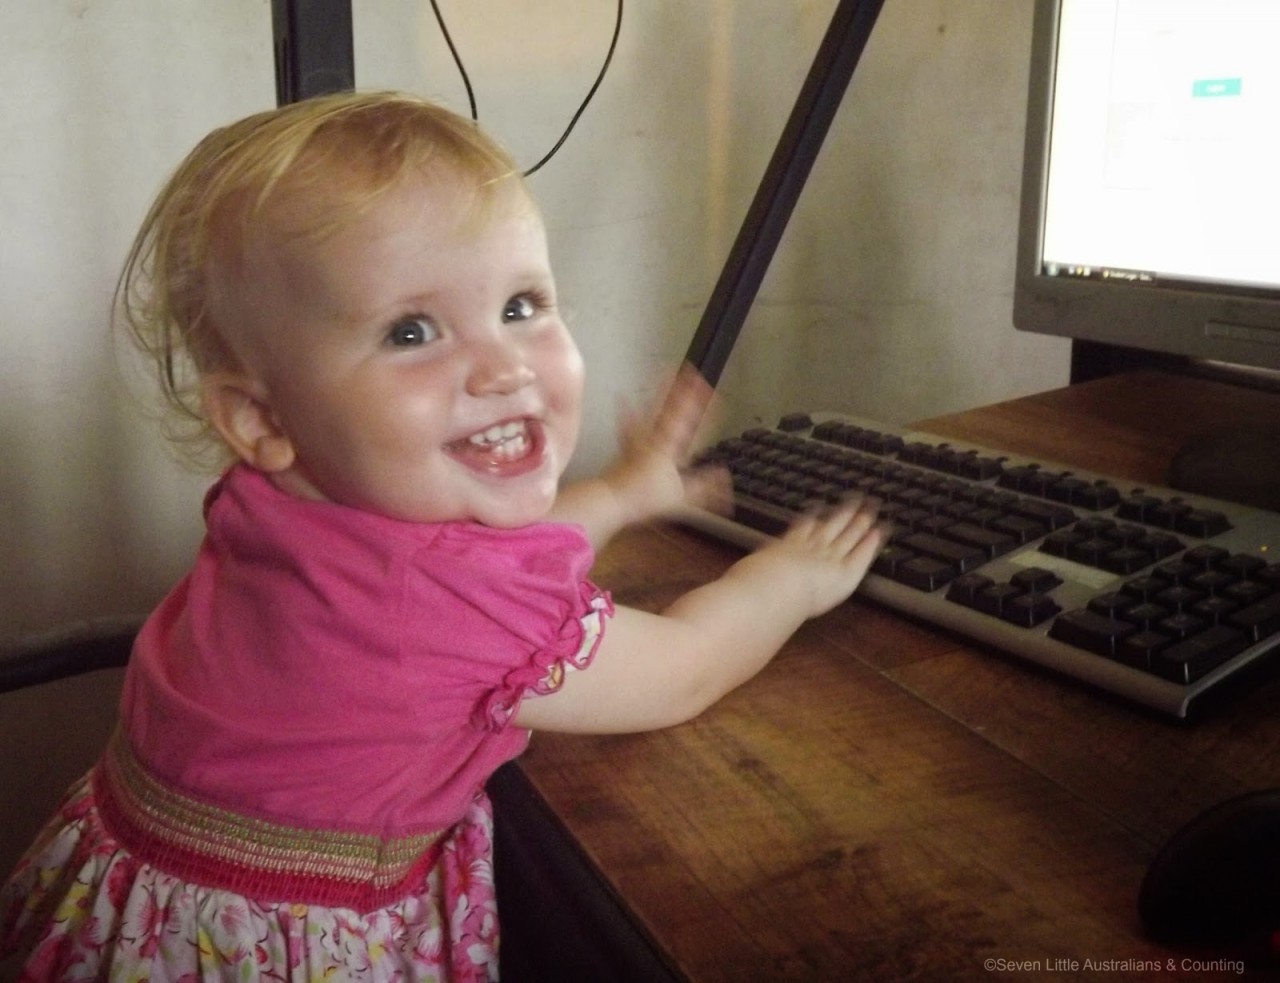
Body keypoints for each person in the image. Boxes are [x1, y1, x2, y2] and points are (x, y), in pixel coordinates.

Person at [0, 91, 885, 982]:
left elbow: (468, 571)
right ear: (262, 417)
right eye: (412, 331)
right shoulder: (439, 607)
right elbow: (681, 670)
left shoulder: (281, 504)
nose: (503, 367)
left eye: (522, 305)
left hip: (118, 903)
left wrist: (621, 494)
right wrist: (791, 579)